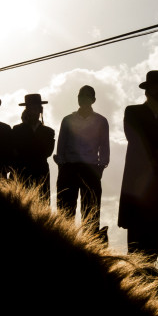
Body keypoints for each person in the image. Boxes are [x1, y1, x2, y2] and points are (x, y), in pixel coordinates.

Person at [118, 70, 158, 264]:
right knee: (135, 249)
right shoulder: (133, 111)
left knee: (153, 247)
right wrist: (155, 156)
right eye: (156, 88)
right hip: (138, 186)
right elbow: (135, 138)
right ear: (147, 91)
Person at [54, 85, 110, 235]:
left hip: (91, 168)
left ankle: (89, 248)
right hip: (69, 168)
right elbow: (61, 145)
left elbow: (105, 147)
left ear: (93, 100)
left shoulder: (101, 121)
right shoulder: (67, 120)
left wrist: (100, 168)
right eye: (80, 96)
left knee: (91, 213)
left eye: (87, 96)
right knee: (65, 212)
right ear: (77, 98)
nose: (83, 99)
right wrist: (62, 166)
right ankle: (64, 243)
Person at [10, 94, 55, 205]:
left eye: (35, 109)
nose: (33, 112)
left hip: (40, 173)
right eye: (30, 109)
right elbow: (13, 150)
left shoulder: (49, 132)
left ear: (40, 110)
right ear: (26, 111)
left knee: (42, 204)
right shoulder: (17, 129)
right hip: (21, 172)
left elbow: (47, 152)